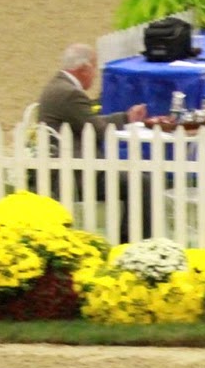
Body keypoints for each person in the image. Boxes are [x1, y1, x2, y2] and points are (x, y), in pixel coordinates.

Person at [37, 43, 151, 238]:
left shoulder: (58, 86)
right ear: (84, 69)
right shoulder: (70, 93)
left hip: (65, 167)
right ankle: (133, 241)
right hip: (77, 174)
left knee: (137, 179)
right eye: (94, 68)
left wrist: (126, 118)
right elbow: (99, 130)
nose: (95, 75)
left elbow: (88, 121)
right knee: (142, 182)